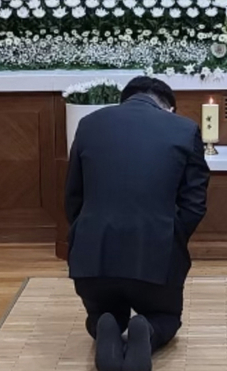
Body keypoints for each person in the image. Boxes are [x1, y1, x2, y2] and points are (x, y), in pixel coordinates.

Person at [65, 76, 209, 371]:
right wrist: (171, 235)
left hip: (94, 255)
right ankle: (149, 329)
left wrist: (85, 233)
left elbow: (73, 195)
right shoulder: (184, 129)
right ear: (168, 106)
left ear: (124, 99)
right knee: (166, 316)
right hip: (154, 253)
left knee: (101, 310)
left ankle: (105, 325)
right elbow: (194, 203)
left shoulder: (90, 124)